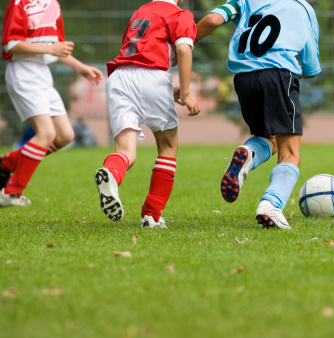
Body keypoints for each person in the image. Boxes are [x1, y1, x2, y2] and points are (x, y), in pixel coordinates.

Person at [196, 0, 321, 229]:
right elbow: (311, 68)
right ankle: (270, 205)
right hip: (278, 73)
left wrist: (184, 43)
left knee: (268, 138)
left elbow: (214, 19)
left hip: (243, 78)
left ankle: (248, 152)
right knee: (291, 153)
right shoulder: (302, 7)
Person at [94, 0, 200, 228]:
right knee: (168, 146)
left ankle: (111, 173)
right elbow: (183, 49)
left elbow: (139, 58)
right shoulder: (181, 14)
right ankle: (151, 216)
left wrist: (168, 92)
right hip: (153, 76)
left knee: (125, 151)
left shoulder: (140, 12)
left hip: (119, 77)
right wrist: (187, 92)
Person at [0, 0, 103, 207]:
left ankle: (7, 163)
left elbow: (58, 49)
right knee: (46, 134)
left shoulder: (53, 5)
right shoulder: (21, 3)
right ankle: (11, 191)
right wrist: (51, 49)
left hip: (42, 74)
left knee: (65, 135)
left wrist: (79, 66)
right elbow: (10, 44)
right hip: (23, 72)